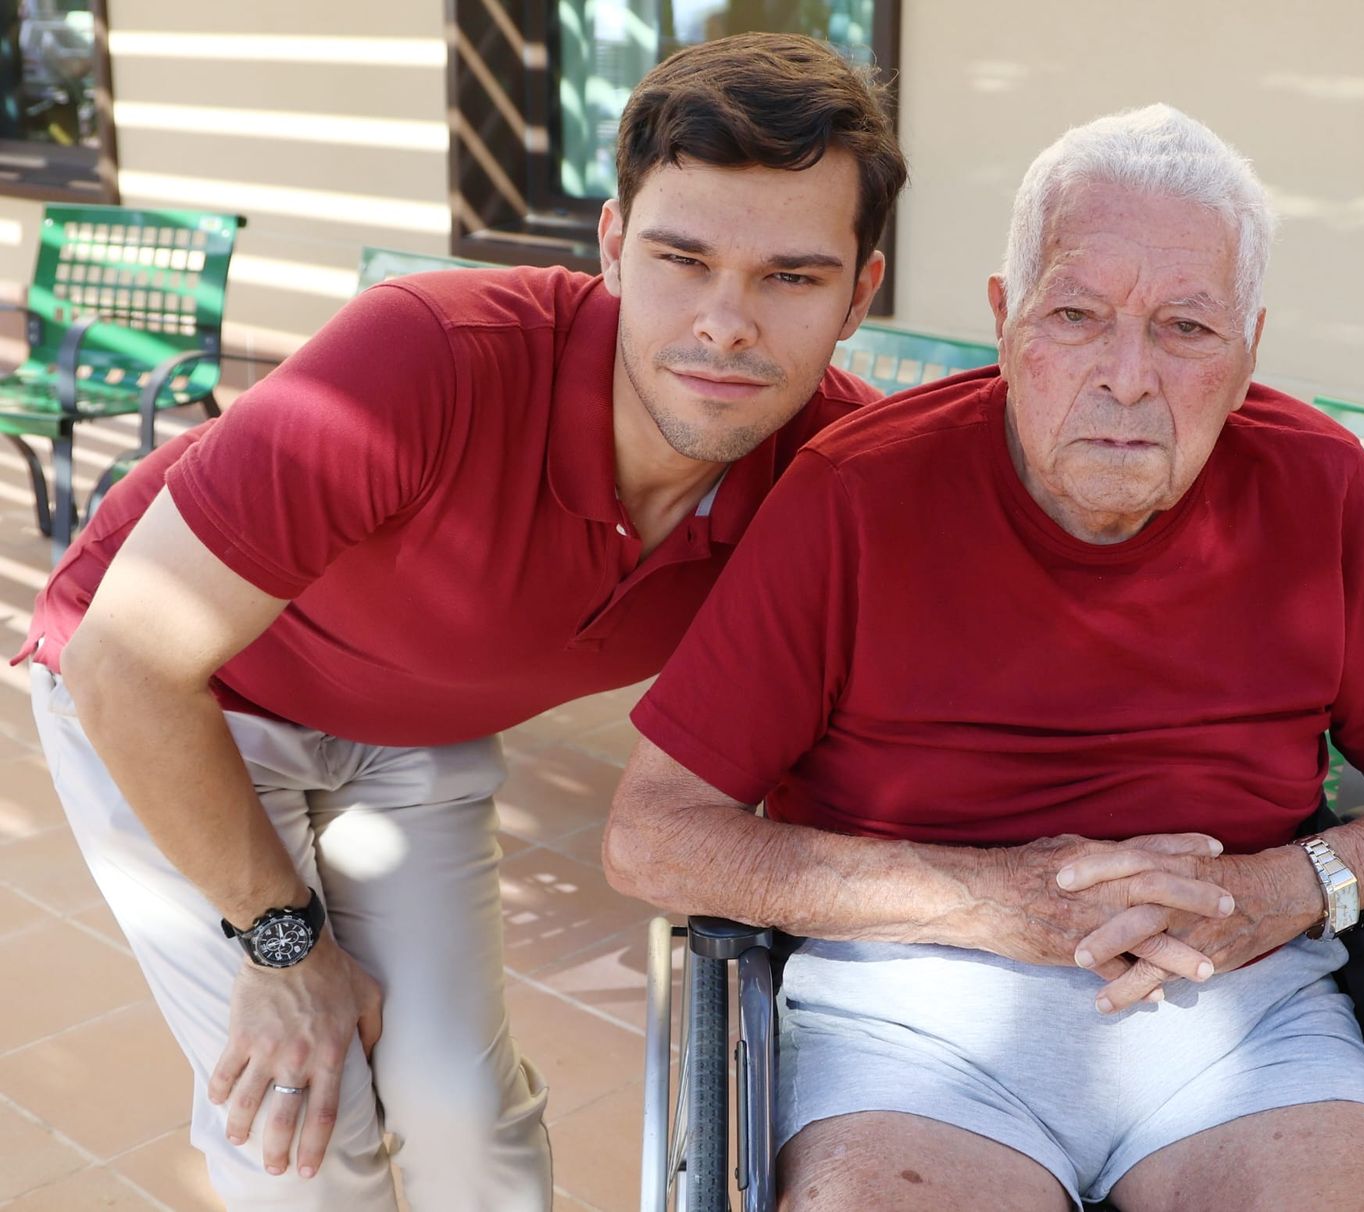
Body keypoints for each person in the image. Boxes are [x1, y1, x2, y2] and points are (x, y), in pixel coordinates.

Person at [13, 32, 905, 1211]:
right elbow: (132, 662)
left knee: (463, 1120)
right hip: (181, 700)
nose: (727, 323)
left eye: (791, 276)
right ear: (610, 247)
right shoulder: (426, 361)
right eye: (682, 258)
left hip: (410, 733)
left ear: (860, 291)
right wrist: (283, 950)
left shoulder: (833, 471)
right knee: (304, 1122)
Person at [604, 104, 1364, 1211]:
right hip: (909, 1017)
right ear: (1005, 321)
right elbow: (651, 837)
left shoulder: (1316, 486)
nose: (1126, 379)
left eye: (1186, 328)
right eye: (1077, 315)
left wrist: (1291, 886)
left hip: (1242, 1005)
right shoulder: (856, 496)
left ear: (1249, 351)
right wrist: (984, 899)